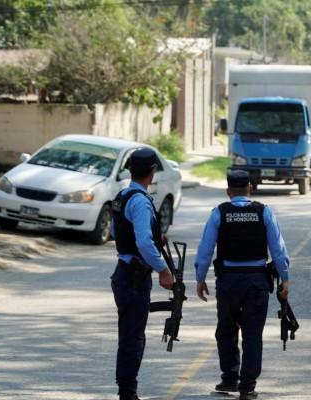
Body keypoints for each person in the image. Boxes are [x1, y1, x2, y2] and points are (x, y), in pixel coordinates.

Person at [194, 170, 290, 400]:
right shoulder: (264, 212)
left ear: (228, 191)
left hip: (228, 281)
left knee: (226, 330)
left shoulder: (219, 213)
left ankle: (229, 379)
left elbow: (206, 248)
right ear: (251, 189)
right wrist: (285, 277)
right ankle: (247, 387)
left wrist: (200, 278)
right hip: (256, 282)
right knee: (252, 334)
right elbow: (278, 249)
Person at [110, 148, 174, 400]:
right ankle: (127, 393)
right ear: (152, 172)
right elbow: (144, 243)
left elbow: (116, 231)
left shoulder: (123, 196)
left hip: (124, 272)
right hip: (134, 277)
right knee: (133, 337)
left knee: (131, 334)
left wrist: (155, 237)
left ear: (129, 170)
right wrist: (163, 270)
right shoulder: (140, 201)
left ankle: (127, 389)